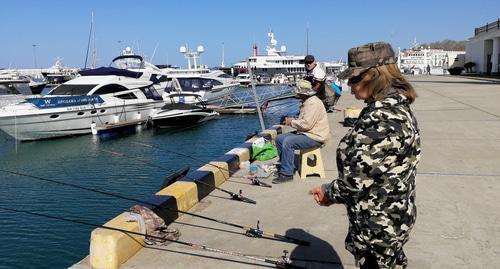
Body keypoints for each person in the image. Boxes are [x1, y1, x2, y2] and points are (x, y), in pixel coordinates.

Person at [308, 42, 421, 269]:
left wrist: (328, 191)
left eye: (354, 79)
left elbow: (356, 179)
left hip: (378, 227)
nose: (349, 86)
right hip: (390, 219)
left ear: (372, 75)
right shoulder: (394, 106)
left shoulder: (382, 116)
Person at [273, 80, 330, 184]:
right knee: (279, 139)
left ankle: (287, 174)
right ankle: (287, 166)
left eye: (298, 93)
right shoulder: (308, 101)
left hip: (316, 136)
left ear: (302, 93)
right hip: (308, 133)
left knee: (288, 142)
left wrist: (291, 122)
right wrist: (293, 120)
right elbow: (305, 121)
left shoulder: (313, 103)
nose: (297, 94)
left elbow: (306, 125)